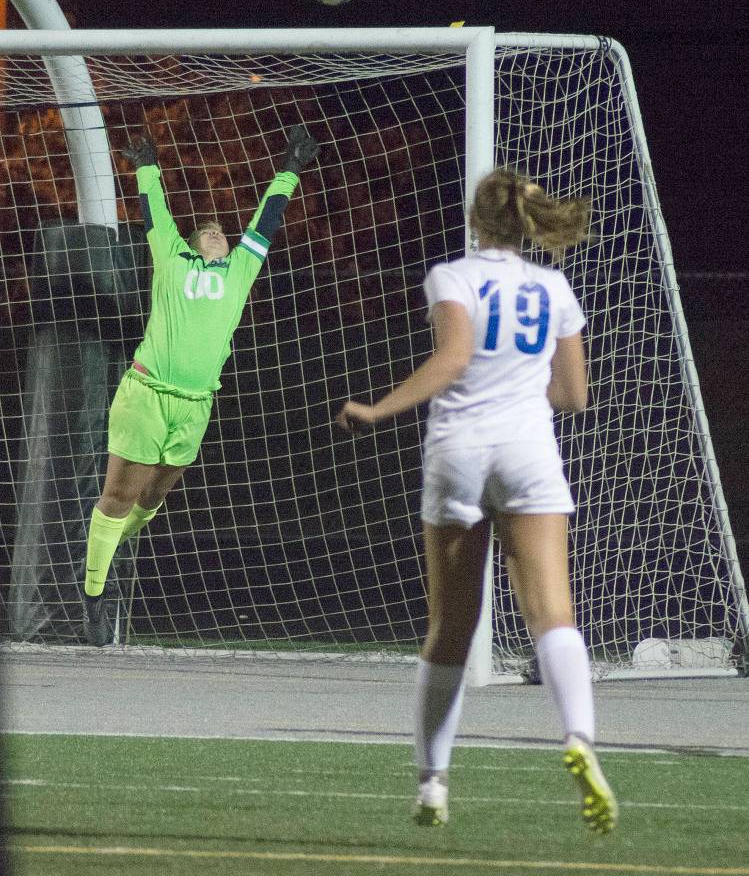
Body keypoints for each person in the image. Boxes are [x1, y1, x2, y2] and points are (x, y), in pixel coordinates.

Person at [336, 168, 618, 834]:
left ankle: (432, 783)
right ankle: (578, 737)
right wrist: (519, 388)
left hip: (460, 450)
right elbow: (574, 396)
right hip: (527, 450)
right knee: (552, 611)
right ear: (525, 222)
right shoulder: (553, 286)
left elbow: (455, 355)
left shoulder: (451, 276)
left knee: (450, 626)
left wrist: (379, 410)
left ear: (474, 220)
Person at [83, 125, 320, 646]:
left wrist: (290, 171)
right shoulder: (171, 259)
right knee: (120, 493)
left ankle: (106, 546)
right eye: (207, 231)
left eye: (222, 231)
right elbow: (155, 216)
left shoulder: (240, 270)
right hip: (147, 392)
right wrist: (147, 167)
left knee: (154, 496)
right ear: (191, 243)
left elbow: (267, 222)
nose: (217, 233)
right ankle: (95, 595)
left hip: (195, 404)